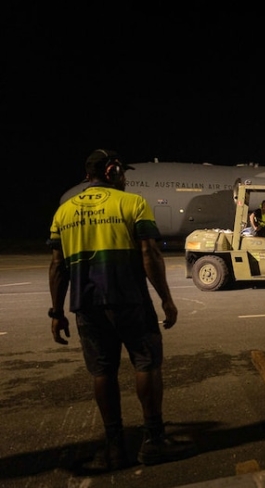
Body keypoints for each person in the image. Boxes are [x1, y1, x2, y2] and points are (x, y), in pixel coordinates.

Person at [47, 149, 198, 471]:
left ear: (88, 176)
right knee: (146, 364)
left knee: (102, 372)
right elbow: (150, 255)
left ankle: (114, 445)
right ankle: (153, 441)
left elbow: (57, 266)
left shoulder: (64, 213)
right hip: (130, 300)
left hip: (86, 306)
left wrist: (56, 311)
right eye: (122, 173)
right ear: (114, 171)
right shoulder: (132, 203)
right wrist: (166, 299)